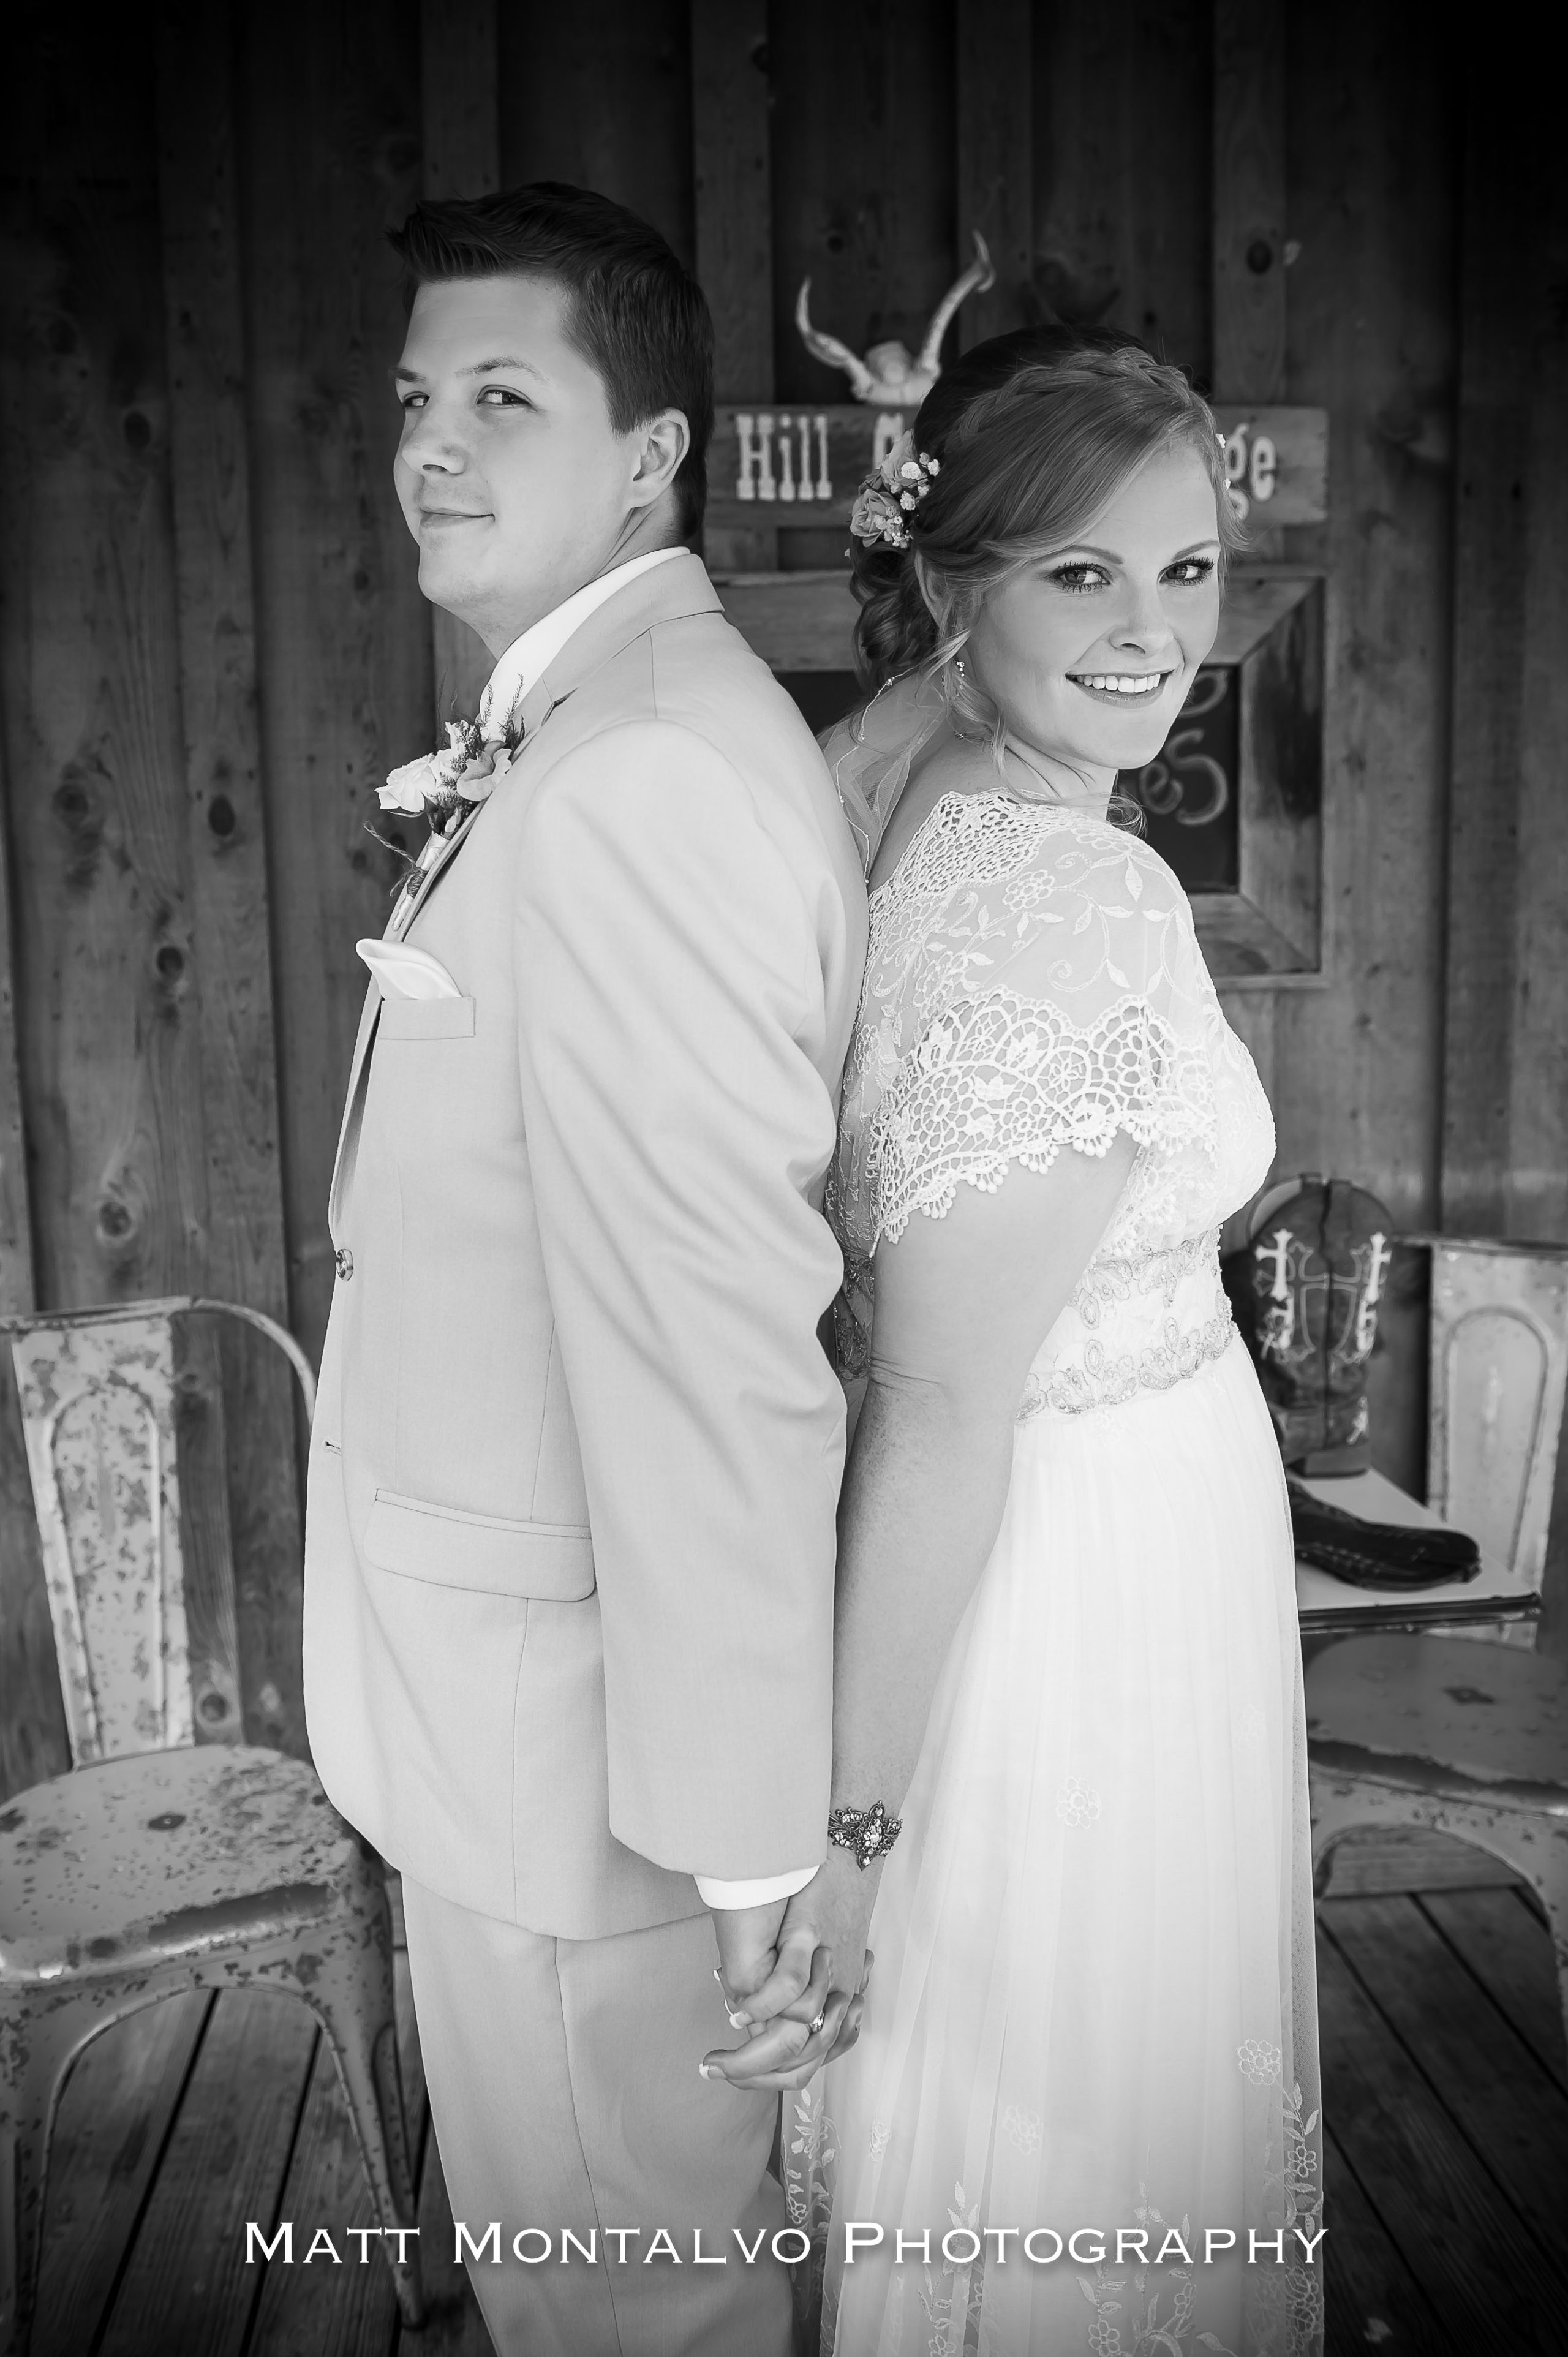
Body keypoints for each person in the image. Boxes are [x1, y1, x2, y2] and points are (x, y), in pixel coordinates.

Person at [701, 342, 1325, 2356]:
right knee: (1072, 2166)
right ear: (957, 578)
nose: (1156, 632)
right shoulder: (1080, 891)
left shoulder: (891, 779)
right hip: (1075, 1601)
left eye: (1190, 570)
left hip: (1024, 1570)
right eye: (1082, 574)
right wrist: (848, 1851)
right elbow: (945, 1395)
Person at [301, 182, 867, 2357]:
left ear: (653, 452)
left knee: (637, 2309)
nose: (428, 445)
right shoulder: (586, 730)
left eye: (501, 398)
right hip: (520, 1730)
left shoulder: (641, 773)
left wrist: (744, 1850)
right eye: (413, 400)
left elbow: (712, 1336)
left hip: (594, 1773)